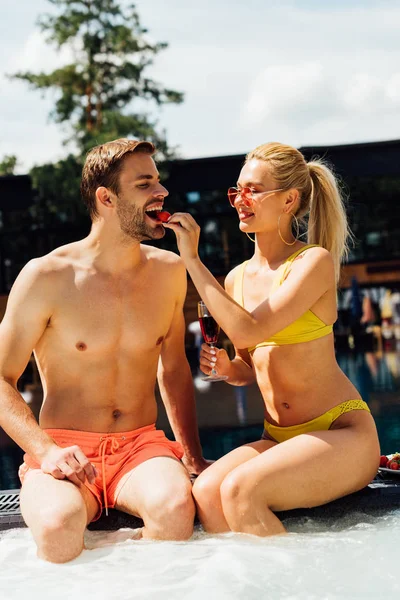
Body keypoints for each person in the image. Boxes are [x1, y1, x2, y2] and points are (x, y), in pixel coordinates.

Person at [0, 138, 208, 562]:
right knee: (58, 529)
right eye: (145, 183)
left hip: (140, 447)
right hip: (63, 449)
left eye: (159, 181)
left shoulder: (170, 271)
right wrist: (45, 452)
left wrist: (193, 457)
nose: (161, 192)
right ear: (106, 197)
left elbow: (173, 370)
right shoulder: (46, 276)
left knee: (174, 511)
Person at [164, 142, 380, 537]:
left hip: (340, 433)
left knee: (242, 491)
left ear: (289, 200)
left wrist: (191, 259)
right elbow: (250, 362)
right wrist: (230, 369)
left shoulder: (312, 262)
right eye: (237, 190)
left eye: (253, 189)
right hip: (279, 436)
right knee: (209, 491)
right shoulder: (236, 278)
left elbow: (247, 329)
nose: (240, 199)